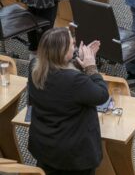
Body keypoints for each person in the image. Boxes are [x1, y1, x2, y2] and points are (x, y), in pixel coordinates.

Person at [28, 27, 108, 175]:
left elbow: (60, 77)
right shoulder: (75, 81)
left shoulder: (34, 68)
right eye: (72, 45)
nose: (75, 47)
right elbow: (101, 95)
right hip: (73, 156)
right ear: (63, 52)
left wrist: (78, 61)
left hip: (45, 147)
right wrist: (91, 67)